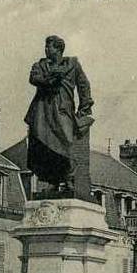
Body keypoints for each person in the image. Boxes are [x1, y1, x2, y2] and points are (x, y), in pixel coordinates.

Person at [23, 35, 93, 198]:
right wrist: (50, 80)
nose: (46, 50)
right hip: (43, 112)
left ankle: (68, 180)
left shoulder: (73, 65)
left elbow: (84, 85)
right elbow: (34, 78)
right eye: (46, 47)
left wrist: (85, 106)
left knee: (66, 143)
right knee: (46, 147)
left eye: (50, 47)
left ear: (59, 49)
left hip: (63, 110)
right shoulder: (40, 65)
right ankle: (54, 182)